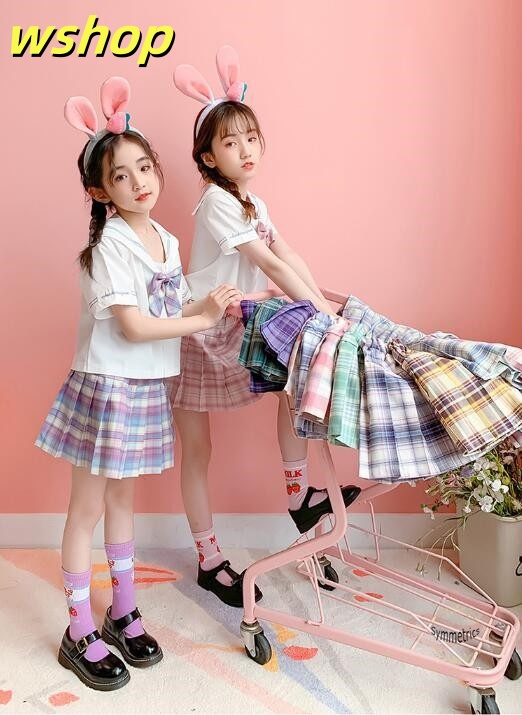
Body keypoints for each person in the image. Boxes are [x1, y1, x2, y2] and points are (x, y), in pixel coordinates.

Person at [35, 76, 241, 691]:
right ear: (100, 190)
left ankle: (122, 610)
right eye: (121, 176)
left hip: (148, 386)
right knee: (86, 508)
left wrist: (216, 305)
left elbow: (173, 305)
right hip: (108, 387)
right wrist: (198, 318)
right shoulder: (107, 248)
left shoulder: (167, 241)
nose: (139, 182)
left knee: (123, 504)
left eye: (145, 168)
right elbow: (134, 325)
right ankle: (78, 629)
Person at [170, 47, 361, 608]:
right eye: (231, 142)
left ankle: (300, 500)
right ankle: (209, 559)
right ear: (208, 156)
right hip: (198, 327)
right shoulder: (214, 203)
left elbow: (288, 254)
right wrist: (319, 310)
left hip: (239, 321)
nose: (246, 149)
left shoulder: (253, 201)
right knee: (198, 449)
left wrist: (323, 302)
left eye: (251, 137)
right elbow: (270, 265)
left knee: (297, 386)